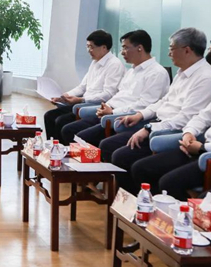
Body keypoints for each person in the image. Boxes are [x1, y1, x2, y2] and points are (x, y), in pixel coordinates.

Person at [100, 28, 211, 194]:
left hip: (172, 132)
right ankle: (130, 200)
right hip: (162, 126)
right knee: (111, 147)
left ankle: (140, 202)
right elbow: (165, 102)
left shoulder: (205, 77)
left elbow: (185, 117)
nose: (169, 53)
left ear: (187, 50)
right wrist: (141, 115)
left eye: (172, 48)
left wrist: (149, 128)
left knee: (133, 163)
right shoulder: (182, 73)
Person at [60, 30, 170, 146]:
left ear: (139, 48)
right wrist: (107, 106)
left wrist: (113, 111)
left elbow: (144, 104)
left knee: (79, 136)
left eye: (125, 48)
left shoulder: (156, 73)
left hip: (123, 118)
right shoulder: (132, 71)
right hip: (109, 112)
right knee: (69, 129)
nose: (122, 52)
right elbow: (119, 94)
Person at [44, 30, 125, 144]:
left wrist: (81, 99)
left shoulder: (114, 65)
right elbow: (82, 87)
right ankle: (53, 148)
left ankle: (64, 151)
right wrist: (64, 96)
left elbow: (108, 94)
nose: (88, 50)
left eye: (91, 47)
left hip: (95, 106)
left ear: (103, 47)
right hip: (83, 103)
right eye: (87, 47)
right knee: (49, 116)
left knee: (61, 121)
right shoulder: (95, 62)